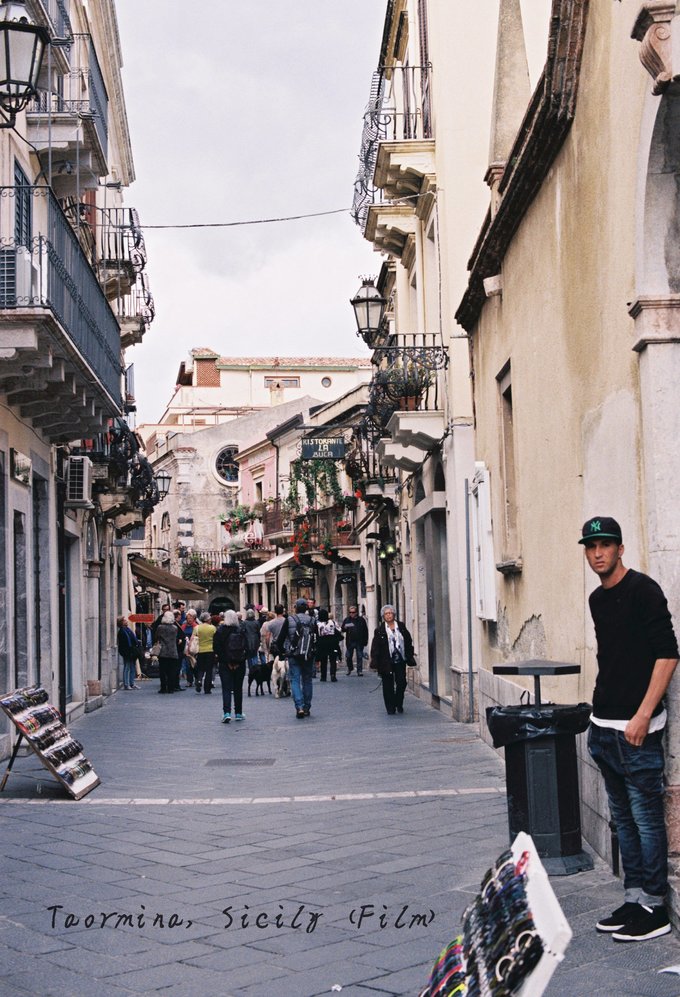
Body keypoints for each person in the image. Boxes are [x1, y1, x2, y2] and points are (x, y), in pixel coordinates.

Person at [580, 517, 679, 942]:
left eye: (605, 545)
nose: (598, 553)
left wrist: (643, 715)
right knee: (623, 820)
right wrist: (596, 720)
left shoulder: (644, 590)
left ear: (621, 549)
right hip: (603, 728)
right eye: (591, 546)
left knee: (646, 820)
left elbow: (667, 655)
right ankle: (634, 894)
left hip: (637, 730)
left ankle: (655, 905)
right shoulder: (596, 599)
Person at [369, 604, 415, 715]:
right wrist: (374, 661)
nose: (389, 616)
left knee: (401, 682)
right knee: (387, 685)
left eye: (390, 613)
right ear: (383, 616)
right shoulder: (379, 630)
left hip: (400, 659)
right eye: (386, 614)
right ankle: (390, 707)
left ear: (394, 614)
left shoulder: (401, 626)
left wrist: (410, 654)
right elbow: (375, 646)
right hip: (386, 661)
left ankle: (398, 702)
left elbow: (408, 640)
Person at [284, 598, 317, 719]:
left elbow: (282, 637)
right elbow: (316, 638)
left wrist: (282, 650)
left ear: (296, 608)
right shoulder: (312, 620)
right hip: (308, 654)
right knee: (307, 680)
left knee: (295, 680)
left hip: (293, 654)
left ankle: (299, 706)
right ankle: (307, 706)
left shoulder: (290, 620)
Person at [214, 609, 248, 723]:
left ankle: (227, 712)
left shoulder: (220, 631)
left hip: (225, 664)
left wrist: (227, 661)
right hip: (240, 663)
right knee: (238, 688)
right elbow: (247, 647)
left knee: (226, 688)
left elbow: (216, 648)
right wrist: (239, 662)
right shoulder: (241, 630)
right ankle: (238, 712)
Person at [155, 611, 181, 694]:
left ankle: (163, 688)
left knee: (162, 671)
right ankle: (171, 688)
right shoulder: (175, 628)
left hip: (163, 651)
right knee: (172, 671)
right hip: (173, 651)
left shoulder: (160, 627)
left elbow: (156, 637)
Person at [341, 606, 369, 676]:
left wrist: (365, 640)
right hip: (350, 641)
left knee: (359, 656)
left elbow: (365, 631)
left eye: (353, 612)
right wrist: (344, 628)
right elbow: (342, 629)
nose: (351, 614)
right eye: (350, 612)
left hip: (359, 641)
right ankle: (350, 668)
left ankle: (359, 671)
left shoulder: (361, 620)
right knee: (348, 656)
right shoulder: (347, 620)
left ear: (356, 612)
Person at [194, 612, 217, 694]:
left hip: (200, 650)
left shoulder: (197, 628)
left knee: (200, 668)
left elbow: (193, 639)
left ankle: (199, 680)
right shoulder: (213, 628)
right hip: (210, 650)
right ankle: (207, 688)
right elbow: (216, 639)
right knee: (209, 670)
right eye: (210, 618)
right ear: (207, 619)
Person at [316, 608, 341, 682]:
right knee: (333, 659)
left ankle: (323, 676)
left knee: (323, 660)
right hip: (332, 642)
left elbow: (315, 633)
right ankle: (333, 675)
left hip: (322, 642)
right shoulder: (332, 622)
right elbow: (339, 630)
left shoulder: (318, 623)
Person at [116, 616, 140, 690]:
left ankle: (132, 683)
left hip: (132, 651)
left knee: (132, 667)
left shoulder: (128, 629)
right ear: (122, 623)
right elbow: (124, 644)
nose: (126, 621)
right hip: (127, 652)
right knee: (127, 667)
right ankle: (126, 684)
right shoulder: (122, 632)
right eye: (124, 620)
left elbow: (133, 639)